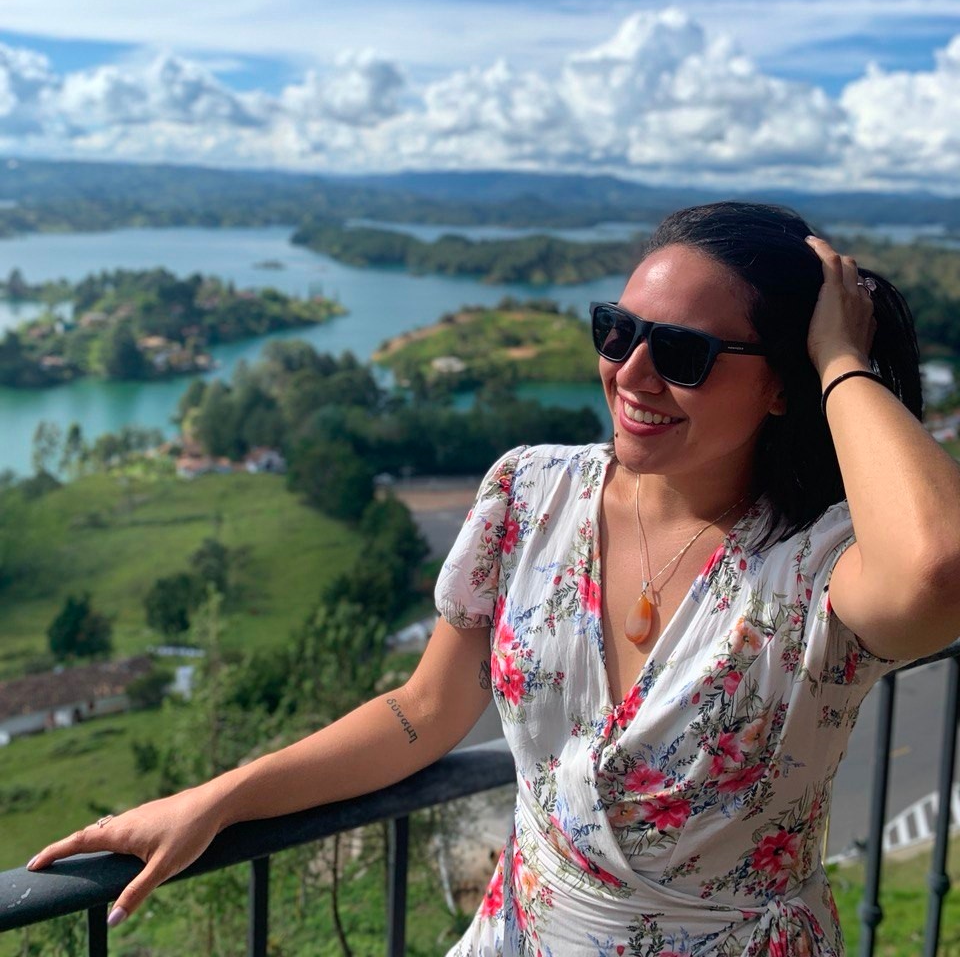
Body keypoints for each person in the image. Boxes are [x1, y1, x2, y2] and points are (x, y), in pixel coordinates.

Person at [27, 201, 960, 956]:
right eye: (616, 332)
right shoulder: (531, 493)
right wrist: (219, 799)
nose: (631, 372)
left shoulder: (820, 565)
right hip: (522, 932)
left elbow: (940, 566)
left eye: (682, 353)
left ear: (784, 383)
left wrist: (842, 357)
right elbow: (424, 711)